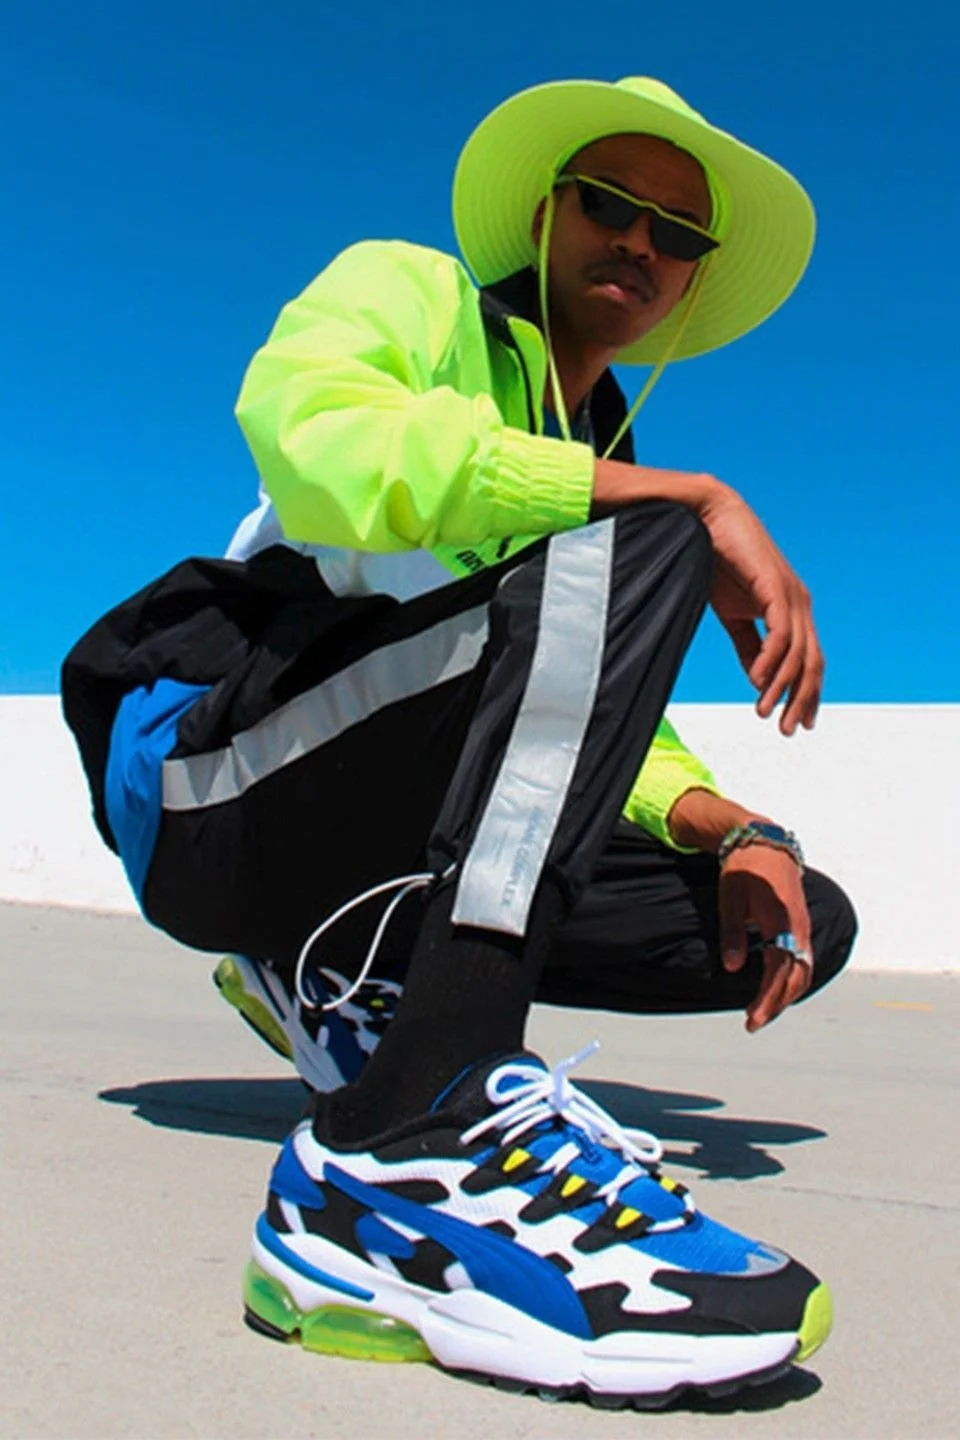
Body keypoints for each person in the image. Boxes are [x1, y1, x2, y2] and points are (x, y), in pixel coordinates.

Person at [62, 76, 857, 1407]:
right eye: (610, 206)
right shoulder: (415, 295)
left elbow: (581, 706)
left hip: (378, 803)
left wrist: (744, 833)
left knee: (795, 914)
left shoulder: (609, 450)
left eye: (677, 235)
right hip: (212, 784)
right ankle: (413, 1133)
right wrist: (676, 498)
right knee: (627, 541)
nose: (640, 247)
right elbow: (322, 442)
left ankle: (340, 969)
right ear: (545, 214)